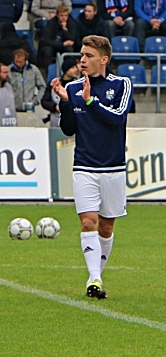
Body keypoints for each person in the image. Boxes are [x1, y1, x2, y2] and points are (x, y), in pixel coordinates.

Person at [52, 35, 134, 300]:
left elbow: (118, 118)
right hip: (84, 165)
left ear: (104, 59)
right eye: (81, 55)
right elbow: (68, 129)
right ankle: (94, 279)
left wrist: (90, 102)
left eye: (88, 56)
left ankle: (96, 275)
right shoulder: (74, 87)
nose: (82, 60)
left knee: (106, 228)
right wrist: (66, 102)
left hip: (113, 167)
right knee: (88, 221)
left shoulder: (121, 84)